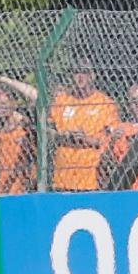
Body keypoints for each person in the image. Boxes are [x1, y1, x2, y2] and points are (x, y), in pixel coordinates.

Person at [49, 61, 117, 191]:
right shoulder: (63, 100)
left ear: (92, 76)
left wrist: (87, 139)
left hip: (90, 179)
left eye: (84, 72)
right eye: (76, 72)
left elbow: (112, 140)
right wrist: (64, 135)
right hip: (62, 178)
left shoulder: (105, 103)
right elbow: (48, 130)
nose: (80, 77)